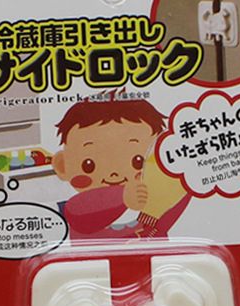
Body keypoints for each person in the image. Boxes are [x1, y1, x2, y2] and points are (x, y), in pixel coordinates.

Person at [52, 97, 190, 240]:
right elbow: (77, 213)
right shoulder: (78, 207)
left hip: (156, 253)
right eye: (89, 165)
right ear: (62, 166)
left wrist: (185, 179)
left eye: (137, 161)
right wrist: (123, 196)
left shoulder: (151, 207)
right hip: (91, 254)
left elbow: (168, 213)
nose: (114, 174)